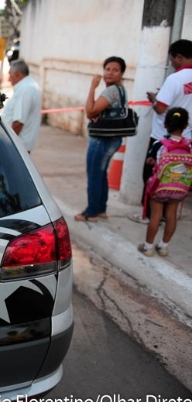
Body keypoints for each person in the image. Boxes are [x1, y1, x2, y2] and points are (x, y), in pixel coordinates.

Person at [129, 39, 192, 224]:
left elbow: (161, 108)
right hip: (187, 140)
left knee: (152, 175)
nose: (171, 63)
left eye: (172, 59)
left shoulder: (175, 78)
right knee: (175, 177)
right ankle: (167, 214)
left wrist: (154, 98)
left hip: (163, 139)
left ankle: (149, 215)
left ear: (179, 57)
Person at [75, 56, 128, 222]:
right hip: (114, 138)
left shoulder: (111, 91)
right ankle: (100, 209)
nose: (110, 73)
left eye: (115, 70)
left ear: (122, 73)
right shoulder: (121, 90)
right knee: (101, 173)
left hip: (101, 140)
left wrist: (92, 87)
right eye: (108, 69)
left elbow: (90, 112)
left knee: (94, 175)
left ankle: (90, 212)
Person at [138, 107, 191, 257]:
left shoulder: (159, 145)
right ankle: (163, 246)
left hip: (160, 188)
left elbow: (151, 161)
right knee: (171, 215)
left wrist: (152, 160)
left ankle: (148, 247)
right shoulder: (189, 146)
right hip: (179, 188)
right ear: (186, 125)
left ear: (165, 125)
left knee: (156, 215)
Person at [1, 59, 42, 153]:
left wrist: (7, 142)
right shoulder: (29, 86)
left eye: (10, 75)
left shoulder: (26, 89)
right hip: (19, 144)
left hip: (17, 145)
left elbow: (18, 122)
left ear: (17, 74)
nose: (8, 79)